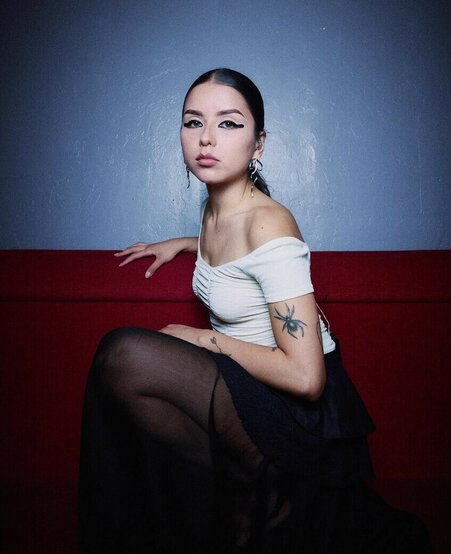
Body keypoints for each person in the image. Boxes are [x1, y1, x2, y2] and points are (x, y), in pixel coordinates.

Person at [78, 68, 433, 553]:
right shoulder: (215, 209)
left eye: (228, 123)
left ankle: (268, 489)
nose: (206, 138)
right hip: (246, 390)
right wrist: (180, 244)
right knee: (121, 366)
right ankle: (248, 488)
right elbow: (235, 257)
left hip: (296, 412)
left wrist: (201, 338)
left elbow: (307, 378)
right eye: (193, 121)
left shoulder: (269, 224)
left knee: (122, 355)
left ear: (258, 145)